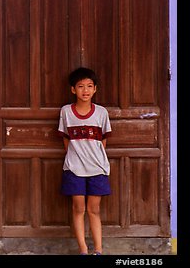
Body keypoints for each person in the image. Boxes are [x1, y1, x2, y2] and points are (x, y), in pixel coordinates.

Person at [58, 67, 111, 255]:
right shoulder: (66, 112)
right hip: (74, 168)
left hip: (97, 168)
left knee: (94, 209)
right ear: (73, 89)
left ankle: (98, 250)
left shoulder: (101, 113)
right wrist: (76, 156)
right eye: (80, 86)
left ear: (95, 89)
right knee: (78, 207)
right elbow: (65, 138)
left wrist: (94, 157)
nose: (85, 90)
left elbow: (103, 139)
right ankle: (83, 249)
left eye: (89, 86)